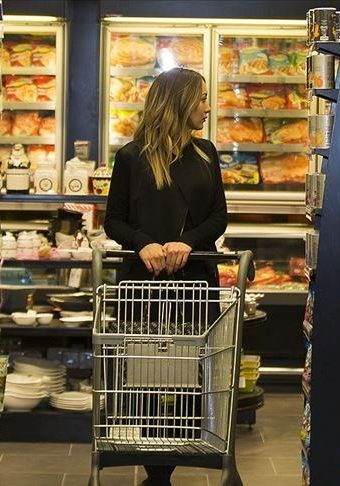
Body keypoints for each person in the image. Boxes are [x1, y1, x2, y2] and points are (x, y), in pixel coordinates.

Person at [104, 68, 227, 486]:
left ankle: (165, 467)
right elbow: (114, 220)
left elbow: (219, 217)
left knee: (190, 378)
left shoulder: (207, 153)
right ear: (179, 103)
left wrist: (186, 242)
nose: (207, 107)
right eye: (201, 99)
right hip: (143, 285)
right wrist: (143, 243)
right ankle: (156, 472)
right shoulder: (131, 157)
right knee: (145, 377)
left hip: (195, 284)